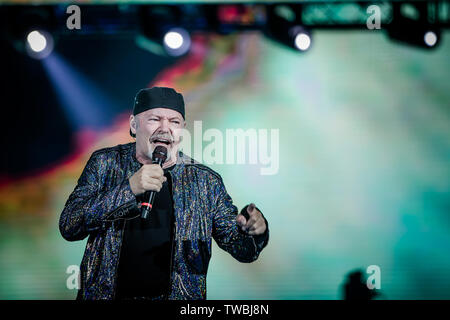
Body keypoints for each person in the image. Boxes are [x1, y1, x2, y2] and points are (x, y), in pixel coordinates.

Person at [59, 87, 269, 300]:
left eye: (174, 122)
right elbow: (70, 225)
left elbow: (243, 250)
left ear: (182, 130)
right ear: (134, 125)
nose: (165, 128)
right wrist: (128, 190)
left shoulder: (206, 182)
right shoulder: (105, 163)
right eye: (155, 119)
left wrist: (255, 231)